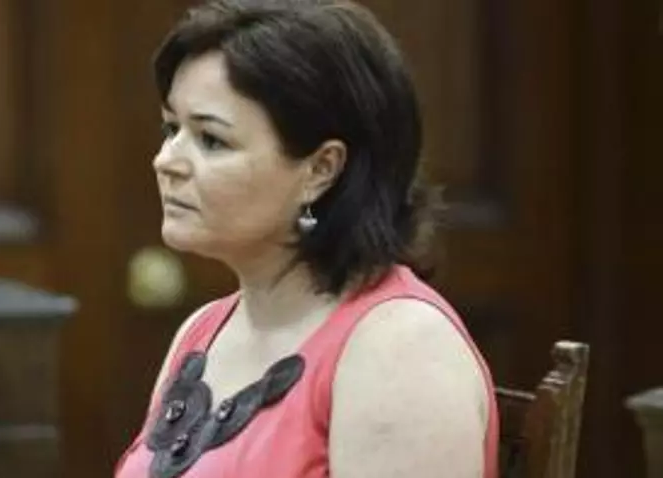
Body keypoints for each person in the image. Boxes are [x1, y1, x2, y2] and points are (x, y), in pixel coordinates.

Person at [115, 0, 498, 477]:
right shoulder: (202, 331)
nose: (166, 161)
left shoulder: (403, 350)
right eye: (172, 129)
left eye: (211, 140)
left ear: (321, 170)